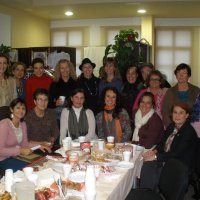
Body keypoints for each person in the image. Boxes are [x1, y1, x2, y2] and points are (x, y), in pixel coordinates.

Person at [140, 102, 197, 190]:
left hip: (179, 164)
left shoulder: (188, 132)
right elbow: (161, 143)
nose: (177, 115)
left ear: (187, 115)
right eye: (175, 112)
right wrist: (153, 151)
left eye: (181, 113)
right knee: (147, 165)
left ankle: (149, 192)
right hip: (167, 158)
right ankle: (146, 192)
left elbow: (177, 154)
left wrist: (155, 157)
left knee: (152, 170)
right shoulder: (172, 126)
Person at [0, 98, 45, 172]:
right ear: (11, 109)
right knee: (31, 170)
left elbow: (25, 144)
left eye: (23, 108)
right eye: (18, 108)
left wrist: (39, 146)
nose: (21, 111)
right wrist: (20, 151)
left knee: (40, 164)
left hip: (16, 156)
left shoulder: (23, 124)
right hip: (3, 159)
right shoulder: (4, 124)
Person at [163, 63, 200, 127]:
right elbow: (165, 112)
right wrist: (171, 128)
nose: (181, 75)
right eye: (178, 72)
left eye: (184, 73)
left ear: (188, 76)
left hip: (193, 128)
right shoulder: (170, 92)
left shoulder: (196, 90)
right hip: (174, 127)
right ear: (176, 75)